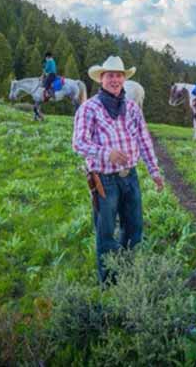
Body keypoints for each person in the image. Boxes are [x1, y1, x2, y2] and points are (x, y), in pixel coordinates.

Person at [72, 55, 164, 283]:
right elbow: (78, 143)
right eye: (110, 75)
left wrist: (154, 171)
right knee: (105, 232)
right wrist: (107, 153)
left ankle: (128, 272)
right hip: (104, 178)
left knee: (134, 227)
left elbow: (144, 140)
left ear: (124, 79)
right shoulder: (89, 108)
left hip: (130, 176)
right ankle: (109, 282)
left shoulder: (132, 107)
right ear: (101, 79)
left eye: (119, 75)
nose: (115, 80)